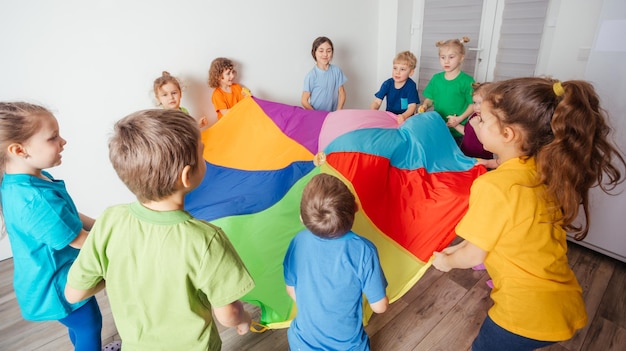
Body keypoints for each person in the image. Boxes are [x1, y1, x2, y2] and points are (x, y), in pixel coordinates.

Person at [432, 77, 626, 351]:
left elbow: (474, 255)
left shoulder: (494, 185)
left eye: (483, 120)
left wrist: (447, 262)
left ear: (508, 134)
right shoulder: (541, 170)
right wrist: (454, 251)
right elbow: (490, 238)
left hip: (525, 313)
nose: (476, 124)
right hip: (562, 301)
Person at [65, 109, 255, 350]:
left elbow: (74, 294)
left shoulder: (110, 220)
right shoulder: (207, 239)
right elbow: (229, 312)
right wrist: (244, 320)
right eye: (202, 154)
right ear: (187, 176)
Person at [0, 102, 105, 351]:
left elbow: (68, 217)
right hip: (57, 284)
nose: (63, 141)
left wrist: (101, 225)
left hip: (49, 276)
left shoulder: (31, 178)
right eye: (53, 137)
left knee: (80, 326)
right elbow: (79, 239)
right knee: (89, 326)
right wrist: (123, 240)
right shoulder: (34, 199)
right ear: (19, 149)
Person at [283, 173, 389, 351]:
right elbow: (380, 307)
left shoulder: (297, 241)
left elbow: (291, 289)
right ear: (356, 207)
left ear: (302, 218)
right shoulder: (364, 251)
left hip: (302, 343)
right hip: (347, 346)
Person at [418, 37, 475, 143]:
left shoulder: (467, 81)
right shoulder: (436, 79)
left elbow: (472, 105)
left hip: (457, 131)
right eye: (442, 57)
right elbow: (430, 99)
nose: (446, 61)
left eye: (451, 57)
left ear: (461, 58)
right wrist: (425, 105)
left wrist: (459, 119)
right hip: (438, 127)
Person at [370, 51, 420, 124]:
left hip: (406, 118)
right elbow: (377, 101)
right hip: (390, 117)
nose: (397, 72)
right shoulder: (387, 84)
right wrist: (373, 111)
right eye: (395, 68)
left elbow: (412, 106)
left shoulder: (411, 86)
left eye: (402, 69)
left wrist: (403, 116)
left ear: (411, 72)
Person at [301, 36, 347, 112]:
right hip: (317, 116)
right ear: (314, 52)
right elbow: (304, 101)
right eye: (321, 51)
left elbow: (342, 93)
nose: (325, 54)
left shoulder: (337, 71)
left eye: (328, 51)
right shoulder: (311, 76)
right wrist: (315, 114)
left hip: (332, 115)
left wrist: (339, 110)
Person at [459, 82, 499, 170]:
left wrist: (476, 126)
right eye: (474, 102)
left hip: (483, 162)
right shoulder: (475, 116)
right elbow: (466, 132)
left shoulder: (491, 121)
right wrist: (454, 125)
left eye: (480, 103)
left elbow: (487, 143)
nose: (476, 107)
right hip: (466, 156)